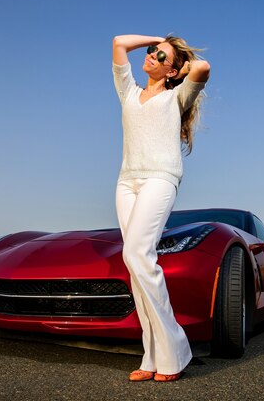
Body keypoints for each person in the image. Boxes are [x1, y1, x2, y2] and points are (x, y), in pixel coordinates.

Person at [112, 34, 211, 382]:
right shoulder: (128, 91)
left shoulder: (177, 96)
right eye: (153, 52)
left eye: (160, 55)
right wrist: (158, 39)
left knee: (139, 253)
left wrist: (180, 66)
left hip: (160, 179)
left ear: (171, 70)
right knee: (135, 263)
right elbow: (119, 43)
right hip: (127, 183)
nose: (152, 55)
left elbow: (203, 66)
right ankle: (151, 357)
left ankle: (175, 350)